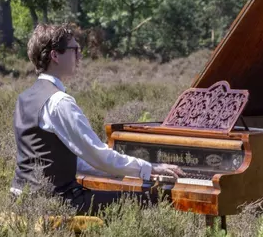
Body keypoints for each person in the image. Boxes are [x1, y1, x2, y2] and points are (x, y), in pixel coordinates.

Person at [10, 24, 184, 215]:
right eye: (75, 49)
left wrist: (123, 170)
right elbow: (98, 155)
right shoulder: (59, 102)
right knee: (154, 196)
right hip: (57, 203)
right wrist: (148, 168)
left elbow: (71, 161)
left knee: (121, 193)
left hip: (23, 198)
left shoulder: (25, 98)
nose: (80, 56)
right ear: (55, 56)